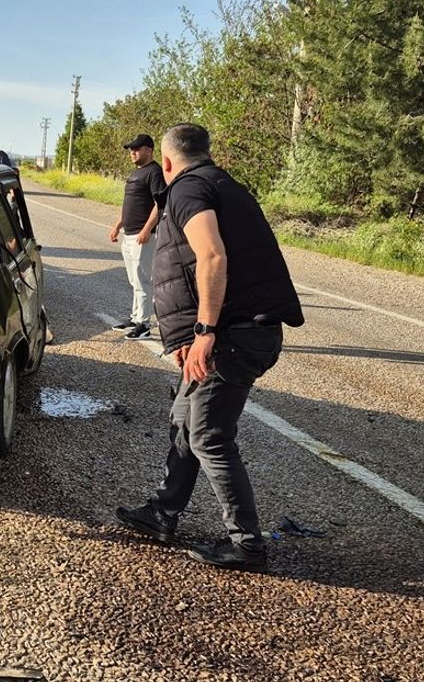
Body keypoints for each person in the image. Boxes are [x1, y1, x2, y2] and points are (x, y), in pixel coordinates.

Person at [115, 123, 304, 573]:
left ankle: (247, 546)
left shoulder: (188, 190)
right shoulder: (225, 185)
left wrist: (204, 331)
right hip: (238, 331)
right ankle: (163, 512)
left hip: (232, 336)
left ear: (165, 161)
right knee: (184, 419)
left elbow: (211, 256)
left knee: (208, 435)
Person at [108, 134, 165, 340]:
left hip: (143, 236)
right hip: (129, 234)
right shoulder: (136, 173)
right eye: (131, 149)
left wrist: (146, 230)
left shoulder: (155, 172)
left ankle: (144, 323)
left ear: (149, 150)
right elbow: (129, 204)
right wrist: (117, 226)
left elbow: (160, 204)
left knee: (142, 280)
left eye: (137, 149)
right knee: (134, 280)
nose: (133, 152)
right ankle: (135, 317)